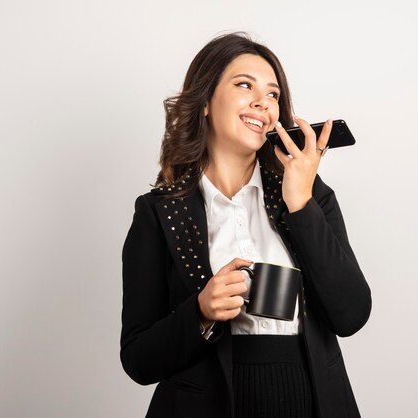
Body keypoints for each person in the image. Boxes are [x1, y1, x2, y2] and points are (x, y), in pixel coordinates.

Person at [120, 32, 372, 418]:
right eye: (244, 85)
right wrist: (201, 311)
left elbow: (351, 315)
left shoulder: (308, 193)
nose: (263, 103)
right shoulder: (158, 212)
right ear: (204, 102)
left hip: (312, 402)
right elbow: (138, 360)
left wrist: (301, 205)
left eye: (273, 95)